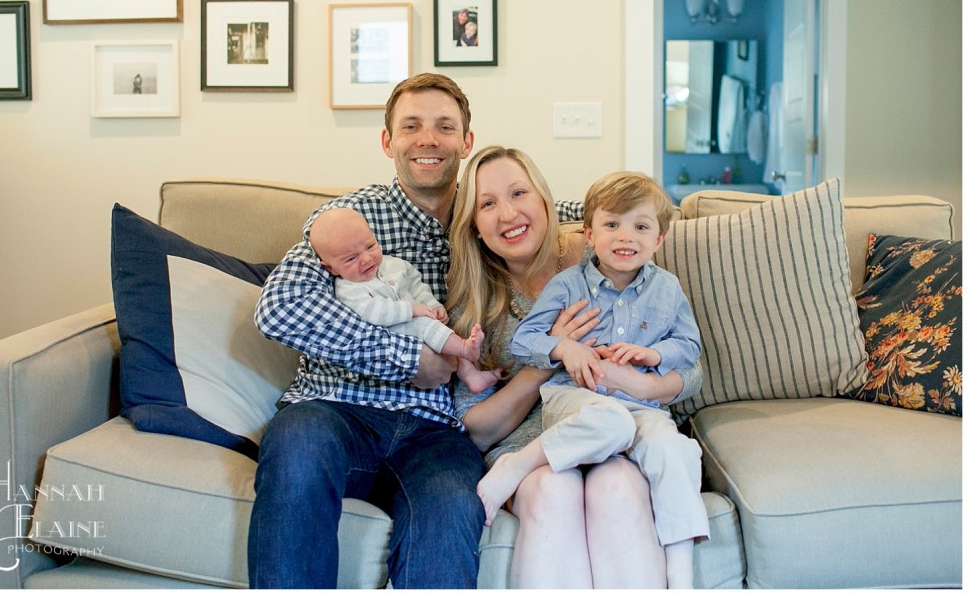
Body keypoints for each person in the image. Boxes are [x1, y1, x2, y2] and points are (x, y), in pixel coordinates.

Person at [250, 73, 485, 589]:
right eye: (411, 126)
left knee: (451, 504)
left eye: (445, 127)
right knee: (299, 445)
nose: (428, 139)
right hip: (334, 411)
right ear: (388, 142)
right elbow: (280, 308)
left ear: (466, 142)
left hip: (433, 430)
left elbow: (556, 210)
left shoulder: (486, 214)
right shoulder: (347, 218)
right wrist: (407, 360)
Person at [447, 146, 703, 589]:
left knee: (618, 487)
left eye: (519, 193)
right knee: (553, 490)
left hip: (622, 426)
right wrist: (559, 352)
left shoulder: (609, 252)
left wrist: (642, 386)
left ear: (547, 202)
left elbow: (692, 367)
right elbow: (477, 428)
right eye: (487, 203)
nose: (507, 213)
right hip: (537, 445)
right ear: (473, 222)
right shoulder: (476, 300)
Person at [308, 206, 498, 394]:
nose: (366, 259)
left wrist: (432, 306)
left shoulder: (394, 264)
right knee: (427, 327)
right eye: (351, 259)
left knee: (443, 332)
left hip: (418, 324)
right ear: (330, 268)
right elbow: (373, 312)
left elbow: (417, 286)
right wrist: (412, 310)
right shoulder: (347, 288)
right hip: (395, 335)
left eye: (370, 246)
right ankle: (466, 349)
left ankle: (471, 375)